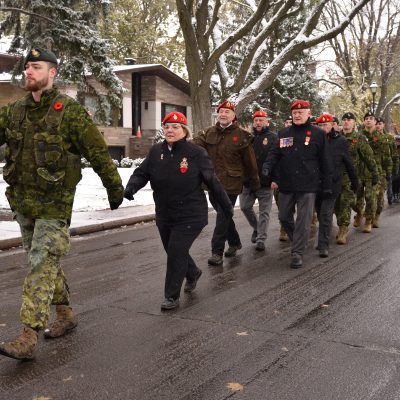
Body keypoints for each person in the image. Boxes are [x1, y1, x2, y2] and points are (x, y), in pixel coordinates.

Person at [0, 47, 124, 360]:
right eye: (27, 67)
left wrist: (114, 188)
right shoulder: (14, 111)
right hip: (23, 202)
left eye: (36, 67)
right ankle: (66, 314)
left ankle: (28, 335)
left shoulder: (68, 112)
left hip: (55, 205)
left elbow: (97, 152)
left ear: (52, 73)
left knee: (41, 260)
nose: (29, 71)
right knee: (43, 261)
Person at [124, 111, 233, 310]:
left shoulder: (196, 153)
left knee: (175, 251)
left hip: (190, 214)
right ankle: (192, 273)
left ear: (184, 130)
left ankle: (171, 296)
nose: (170, 130)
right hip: (165, 213)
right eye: (166, 127)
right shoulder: (157, 151)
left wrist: (226, 206)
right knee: (174, 250)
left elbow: (212, 180)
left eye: (175, 127)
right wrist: (131, 187)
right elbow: (142, 173)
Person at [262, 100, 333, 268]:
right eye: (295, 113)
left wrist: (327, 184)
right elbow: (274, 154)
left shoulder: (317, 134)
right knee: (283, 216)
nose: (297, 115)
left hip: (309, 184)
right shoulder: (284, 133)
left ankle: (297, 253)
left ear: (309, 114)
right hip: (287, 183)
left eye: (301, 112)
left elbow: (325, 161)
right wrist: (267, 167)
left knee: (303, 219)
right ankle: (299, 240)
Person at [193, 100, 259, 266]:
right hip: (211, 182)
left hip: (232, 183)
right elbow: (193, 148)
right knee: (225, 215)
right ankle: (235, 241)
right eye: (221, 111)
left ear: (233, 115)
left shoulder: (242, 136)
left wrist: (254, 182)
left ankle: (217, 252)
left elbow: (250, 162)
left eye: (227, 112)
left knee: (222, 217)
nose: (223, 114)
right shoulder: (207, 133)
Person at [314, 114, 358, 257]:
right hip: (316, 184)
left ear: (332, 125)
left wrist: (354, 181)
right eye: (320, 125)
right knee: (321, 214)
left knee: (326, 215)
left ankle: (323, 245)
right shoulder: (313, 140)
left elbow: (348, 162)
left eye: (325, 125)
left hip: (333, 184)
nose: (323, 128)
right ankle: (323, 236)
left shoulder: (341, 141)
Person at [334, 112, 378, 244]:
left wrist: (374, 173)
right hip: (335, 177)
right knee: (336, 204)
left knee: (346, 202)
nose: (346, 122)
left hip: (351, 177)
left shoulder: (359, 138)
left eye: (349, 120)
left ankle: (343, 229)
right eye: (344, 120)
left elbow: (368, 157)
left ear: (354, 123)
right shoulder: (335, 137)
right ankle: (358, 212)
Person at [239, 110, 278, 251]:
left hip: (265, 182)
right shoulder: (247, 138)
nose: (258, 122)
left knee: (264, 212)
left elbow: (277, 160)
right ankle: (256, 228)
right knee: (244, 207)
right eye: (256, 120)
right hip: (248, 182)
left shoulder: (273, 137)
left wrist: (275, 178)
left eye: (261, 120)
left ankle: (261, 239)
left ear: (267, 121)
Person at [355, 112, 392, 232]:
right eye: (366, 118)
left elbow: (387, 157)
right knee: (355, 198)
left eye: (371, 118)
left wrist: (389, 173)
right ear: (364, 121)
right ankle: (359, 213)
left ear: (375, 122)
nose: (369, 120)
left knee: (371, 198)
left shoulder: (382, 138)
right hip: (359, 172)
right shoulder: (358, 136)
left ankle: (369, 220)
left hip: (376, 173)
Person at [375, 117, 399, 206]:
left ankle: (390, 197)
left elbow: (394, 153)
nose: (378, 125)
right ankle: (379, 203)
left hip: (388, 166)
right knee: (380, 187)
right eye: (376, 123)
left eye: (380, 123)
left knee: (389, 181)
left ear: (383, 125)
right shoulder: (372, 137)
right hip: (377, 167)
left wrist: (395, 166)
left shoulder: (389, 137)